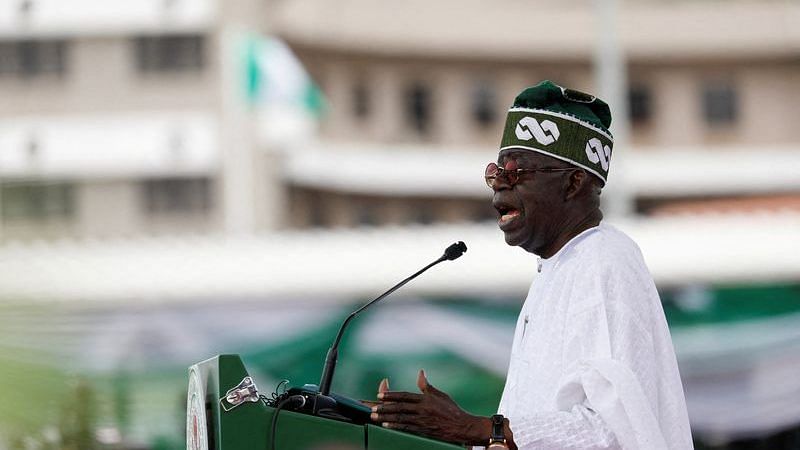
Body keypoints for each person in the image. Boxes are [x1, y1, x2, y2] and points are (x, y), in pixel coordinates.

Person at [368, 81, 693, 449]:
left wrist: (476, 428)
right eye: (496, 173)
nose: (498, 188)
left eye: (516, 173)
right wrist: (451, 433)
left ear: (573, 183)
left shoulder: (605, 260)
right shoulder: (555, 270)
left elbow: (615, 431)